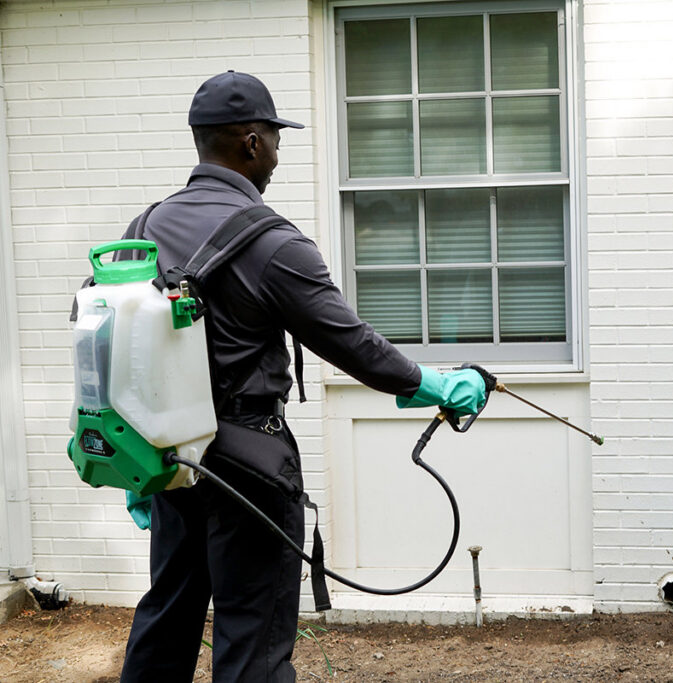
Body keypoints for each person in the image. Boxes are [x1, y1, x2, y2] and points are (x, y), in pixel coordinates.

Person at [118, 71, 486, 682]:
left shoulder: (141, 229)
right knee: (252, 636)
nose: (278, 156)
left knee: (168, 616)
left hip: (168, 460)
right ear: (250, 142)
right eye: (274, 137)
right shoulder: (273, 243)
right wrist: (434, 383)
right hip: (249, 465)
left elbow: (108, 337)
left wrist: (137, 453)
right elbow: (356, 347)